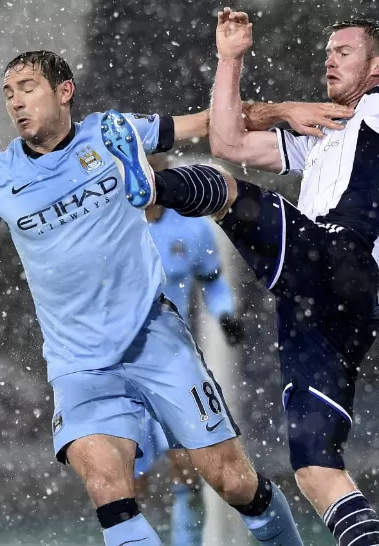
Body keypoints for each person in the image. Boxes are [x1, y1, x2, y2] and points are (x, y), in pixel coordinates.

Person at [103, 8, 379, 546]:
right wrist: (230, 60)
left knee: (226, 192)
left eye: (344, 52)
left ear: (378, 64)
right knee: (316, 469)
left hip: (341, 259)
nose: (330, 59)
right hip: (324, 305)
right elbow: (228, 141)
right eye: (328, 52)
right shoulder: (323, 131)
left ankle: (151, 186)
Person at [0, 50, 346, 546]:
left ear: (64, 91)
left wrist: (284, 110)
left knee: (233, 481)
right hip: (78, 366)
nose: (16, 102)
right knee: (111, 492)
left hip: (154, 339)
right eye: (8, 93)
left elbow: (209, 121)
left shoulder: (111, 133)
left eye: (28, 87)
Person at [135, 156, 245, 546]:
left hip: (173, 366)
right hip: (121, 368)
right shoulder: (111, 227)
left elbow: (212, 280)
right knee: (125, 484)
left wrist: (226, 313)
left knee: (187, 472)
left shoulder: (193, 228)